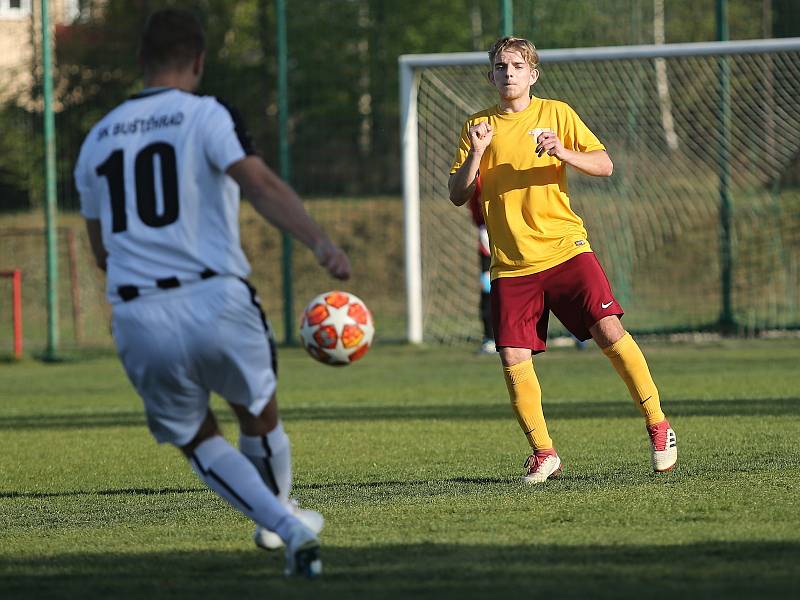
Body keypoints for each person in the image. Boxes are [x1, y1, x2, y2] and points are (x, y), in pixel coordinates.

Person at [74, 9, 349, 577]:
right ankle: (283, 520)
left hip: (138, 311)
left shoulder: (96, 139)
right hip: (217, 298)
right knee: (257, 412)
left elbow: (101, 251)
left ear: (139, 62)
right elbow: (258, 182)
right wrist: (318, 241)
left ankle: (287, 527)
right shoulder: (206, 113)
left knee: (198, 438)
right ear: (199, 60)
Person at [448, 36, 677, 483]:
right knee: (512, 356)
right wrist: (476, 151)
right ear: (491, 76)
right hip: (512, 265)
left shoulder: (557, 113)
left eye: (517, 65)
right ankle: (544, 453)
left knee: (609, 330)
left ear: (533, 74)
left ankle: (658, 425)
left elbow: (605, 165)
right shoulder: (477, 125)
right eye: (500, 66)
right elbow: (457, 194)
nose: (508, 72)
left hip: (566, 250)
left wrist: (562, 151)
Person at [467, 174, 496, 354]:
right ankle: (490, 337)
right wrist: (482, 226)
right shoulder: (477, 180)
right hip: (488, 237)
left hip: (520, 233)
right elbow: (473, 206)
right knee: (488, 288)